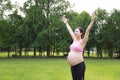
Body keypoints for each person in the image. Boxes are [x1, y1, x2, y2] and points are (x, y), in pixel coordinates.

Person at [62, 12, 95, 80]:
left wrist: (92, 21)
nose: (75, 32)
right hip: (72, 66)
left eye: (76, 31)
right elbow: (70, 31)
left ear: (81, 33)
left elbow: (87, 31)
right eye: (75, 31)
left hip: (79, 65)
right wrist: (66, 23)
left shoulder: (82, 42)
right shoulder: (74, 39)